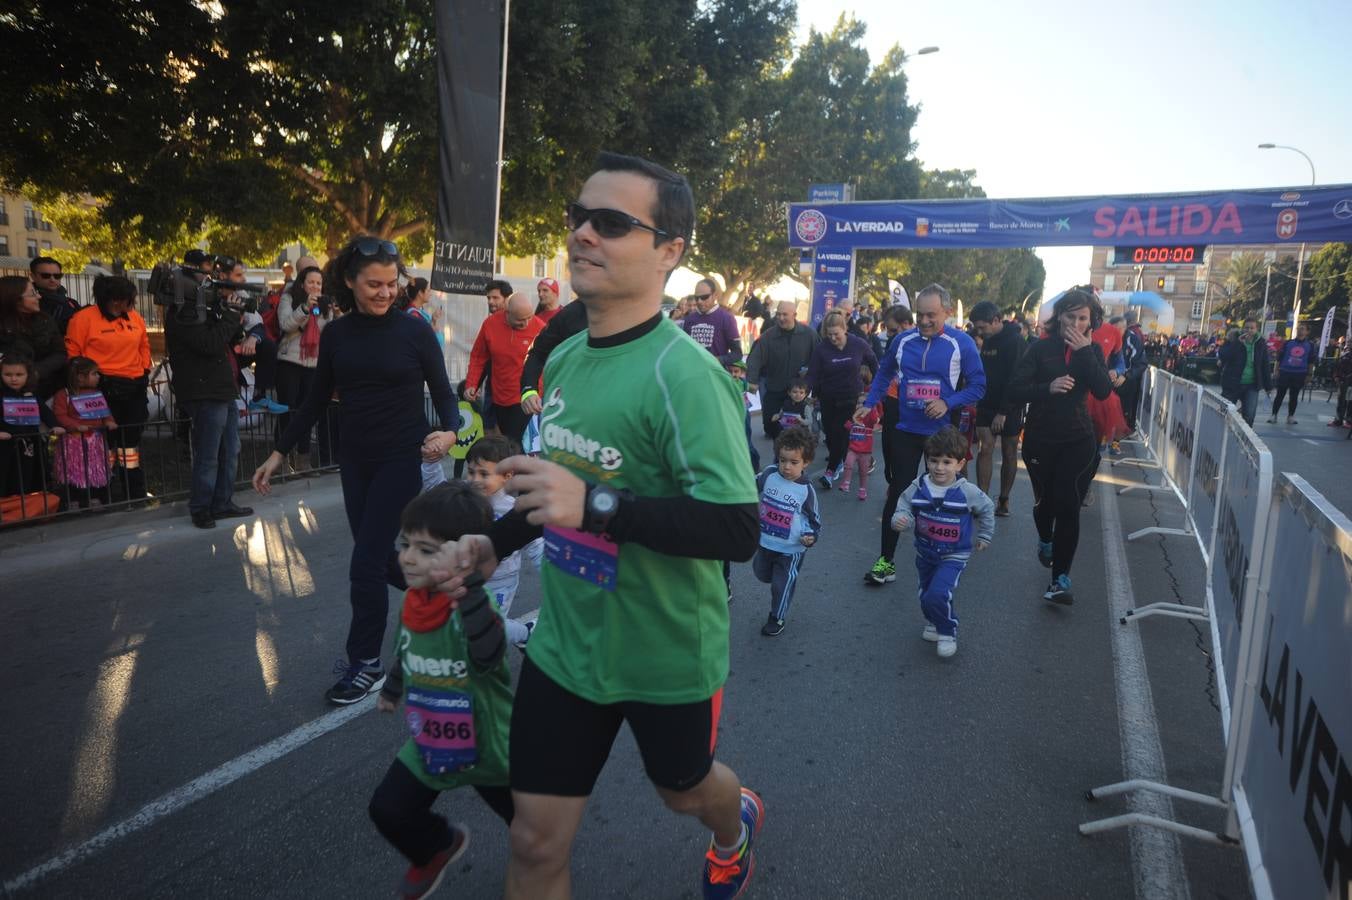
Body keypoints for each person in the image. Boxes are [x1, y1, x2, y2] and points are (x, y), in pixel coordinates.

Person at [427, 152, 763, 900]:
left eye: (611, 223)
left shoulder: (686, 375)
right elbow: (557, 490)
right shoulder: (571, 359)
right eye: (579, 217)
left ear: (669, 252)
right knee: (535, 841)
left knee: (682, 791)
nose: (584, 234)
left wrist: (602, 508)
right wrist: (493, 542)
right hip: (566, 647)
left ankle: (733, 821)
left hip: (664, 652)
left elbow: (738, 530)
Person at [252, 235, 461, 706]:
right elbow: (313, 400)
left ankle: (364, 662)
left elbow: (445, 395)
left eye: (392, 283)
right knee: (380, 558)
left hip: (400, 460)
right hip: (355, 461)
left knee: (365, 562)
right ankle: (449, 595)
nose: (386, 292)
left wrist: (449, 433)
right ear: (349, 281)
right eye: (374, 284)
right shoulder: (337, 335)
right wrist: (278, 453)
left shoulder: (415, 331)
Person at [368, 482, 515, 899]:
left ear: (462, 558)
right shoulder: (414, 601)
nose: (408, 557)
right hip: (432, 743)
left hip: (493, 750)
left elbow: (488, 655)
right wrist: (393, 690)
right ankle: (436, 846)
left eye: (426, 550)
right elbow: (407, 649)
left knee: (533, 836)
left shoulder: (473, 609)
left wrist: (466, 594)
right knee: (388, 809)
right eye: (406, 544)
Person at [857, 285, 986, 586]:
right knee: (898, 493)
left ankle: (942, 559)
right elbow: (884, 373)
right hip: (905, 429)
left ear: (948, 312)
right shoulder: (902, 340)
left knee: (940, 497)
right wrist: (869, 402)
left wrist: (947, 402)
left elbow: (978, 385)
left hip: (941, 435)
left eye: (931, 315)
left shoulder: (961, 343)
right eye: (920, 315)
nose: (924, 321)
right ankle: (886, 561)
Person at [1008, 287, 1112, 605]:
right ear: (1060, 317)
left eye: (1083, 318)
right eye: (1071, 316)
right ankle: (1045, 538)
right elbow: (1015, 389)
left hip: (1078, 439)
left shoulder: (1091, 350)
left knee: (1068, 504)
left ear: (1091, 320)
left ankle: (1060, 579)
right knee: (1046, 504)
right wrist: (1047, 387)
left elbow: (1104, 390)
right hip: (1040, 438)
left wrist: (1083, 353)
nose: (1077, 323)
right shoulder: (1040, 349)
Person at [889, 425, 995, 658]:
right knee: (925, 594)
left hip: (954, 555)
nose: (939, 467)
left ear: (960, 464)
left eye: (947, 462)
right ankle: (934, 622)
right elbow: (903, 505)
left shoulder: (967, 491)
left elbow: (987, 508)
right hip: (925, 553)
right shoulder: (919, 486)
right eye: (934, 460)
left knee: (938, 593)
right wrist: (900, 519)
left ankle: (948, 630)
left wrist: (985, 535)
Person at [165, 267, 255, 529]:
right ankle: (201, 507)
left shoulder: (204, 309)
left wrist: (230, 314)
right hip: (203, 390)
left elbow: (228, 340)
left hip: (220, 387)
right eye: (203, 281)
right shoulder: (183, 312)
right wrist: (229, 315)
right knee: (208, 453)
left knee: (231, 449)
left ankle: (222, 502)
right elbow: (209, 344)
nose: (210, 284)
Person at [65, 275, 151, 501]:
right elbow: (74, 355)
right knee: (104, 441)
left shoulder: (134, 317)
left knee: (130, 441)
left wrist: (143, 371)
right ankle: (104, 490)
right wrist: (89, 383)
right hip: (101, 387)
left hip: (133, 386)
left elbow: (144, 345)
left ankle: (134, 489)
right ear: (115, 300)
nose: (132, 303)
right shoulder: (83, 319)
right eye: (128, 299)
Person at [465, 435, 543, 648]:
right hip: (464, 578)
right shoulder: (462, 499)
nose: (475, 480)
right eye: (471, 472)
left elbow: (535, 546)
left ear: (507, 476)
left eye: (484, 474)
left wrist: (552, 576)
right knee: (465, 624)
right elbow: (434, 490)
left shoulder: (514, 510)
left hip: (501, 582)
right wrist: (430, 464)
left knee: (489, 626)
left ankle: (523, 634)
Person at [753, 425, 821, 637]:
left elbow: (814, 520)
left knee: (780, 586)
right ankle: (778, 586)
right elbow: (750, 485)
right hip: (764, 542)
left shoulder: (805, 490)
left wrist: (811, 536)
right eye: (782, 460)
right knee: (762, 573)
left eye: (794, 462)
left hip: (790, 549)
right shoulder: (770, 474)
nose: (786, 467)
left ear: (806, 462)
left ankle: (777, 617)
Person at [274, 265, 338, 469]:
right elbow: (285, 324)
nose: (315, 286)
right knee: (287, 410)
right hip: (289, 361)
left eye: (319, 283)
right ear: (302, 283)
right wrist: (304, 309)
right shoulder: (289, 298)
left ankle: (303, 459)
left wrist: (332, 314)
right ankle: (281, 458)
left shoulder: (325, 303)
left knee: (306, 411)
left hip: (313, 363)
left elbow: (326, 334)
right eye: (311, 282)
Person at [808, 308, 878, 488]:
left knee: (841, 432)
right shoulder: (821, 348)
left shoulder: (858, 344)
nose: (833, 338)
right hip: (828, 396)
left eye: (836, 334)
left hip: (851, 396)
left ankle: (830, 471)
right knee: (831, 435)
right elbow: (814, 374)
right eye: (829, 334)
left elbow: (874, 363)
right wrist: (811, 394)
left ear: (844, 329)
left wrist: (874, 389)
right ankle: (843, 459)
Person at [466, 292, 545, 448]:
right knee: (509, 440)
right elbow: (478, 356)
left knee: (516, 443)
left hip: (527, 398)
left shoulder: (540, 328)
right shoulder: (490, 324)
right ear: (507, 313)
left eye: (529, 317)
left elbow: (551, 360)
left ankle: (516, 470)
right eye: (521, 319)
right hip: (500, 398)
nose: (526, 323)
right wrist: (472, 383)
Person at [968, 301, 1024, 517]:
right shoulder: (988, 340)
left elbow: (1016, 379)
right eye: (977, 327)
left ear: (997, 320)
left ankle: (1004, 499)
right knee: (985, 448)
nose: (979, 332)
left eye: (982, 327)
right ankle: (982, 499)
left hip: (1009, 406)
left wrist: (1003, 411)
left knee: (1009, 452)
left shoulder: (1016, 341)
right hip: (986, 403)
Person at [51, 356, 119, 508]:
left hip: (95, 441)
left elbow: (104, 411)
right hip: (74, 442)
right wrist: (75, 425)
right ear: (80, 377)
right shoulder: (64, 395)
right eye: (94, 374)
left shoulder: (97, 393)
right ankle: (73, 499)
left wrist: (109, 421)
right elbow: (60, 415)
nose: (98, 377)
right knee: (74, 472)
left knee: (94, 471)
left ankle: (94, 497)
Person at [745, 299, 819, 439]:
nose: (781, 318)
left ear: (794, 315)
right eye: (778, 314)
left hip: (798, 391)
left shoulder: (809, 334)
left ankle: (793, 454)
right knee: (770, 427)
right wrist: (752, 380)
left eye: (785, 314)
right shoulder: (768, 336)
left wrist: (813, 381)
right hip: (774, 387)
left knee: (795, 430)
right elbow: (755, 358)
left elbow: (818, 359)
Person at [0, 351, 64, 497]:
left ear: (28, 375)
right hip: (4, 446)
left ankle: (28, 508)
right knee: (6, 476)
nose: (13, 379)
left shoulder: (31, 394)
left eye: (19, 375)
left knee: (29, 476)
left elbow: (45, 411)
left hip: (29, 444)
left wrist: (55, 425)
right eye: (8, 375)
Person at [0, 275, 66, 399]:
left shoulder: (45, 319)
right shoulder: (4, 326)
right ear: (16, 299)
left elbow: (60, 353)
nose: (39, 296)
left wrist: (36, 371)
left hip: (47, 388)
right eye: (32, 294)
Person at [873, 305, 914, 485]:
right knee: (889, 450)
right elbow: (884, 372)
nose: (889, 334)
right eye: (888, 330)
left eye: (893, 330)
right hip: (892, 403)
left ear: (906, 324)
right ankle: (894, 485)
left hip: (915, 407)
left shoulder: (921, 341)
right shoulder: (893, 342)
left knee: (906, 456)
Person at [1218, 318, 1271, 427]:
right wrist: (1238, 343)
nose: (1249, 330)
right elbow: (1224, 355)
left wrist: (1268, 385)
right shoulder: (1233, 340)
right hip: (1232, 383)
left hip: (1252, 384)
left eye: (1252, 328)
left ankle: (1245, 440)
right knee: (1225, 411)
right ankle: (1222, 431)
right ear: (1242, 329)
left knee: (1249, 414)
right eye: (1247, 328)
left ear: (1256, 329)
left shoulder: (1260, 343)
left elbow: (1265, 364)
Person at [681, 277, 742, 360]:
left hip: (714, 372)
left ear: (715, 296)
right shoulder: (688, 320)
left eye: (704, 297)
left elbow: (737, 354)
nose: (699, 301)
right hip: (692, 371)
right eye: (697, 297)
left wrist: (716, 360)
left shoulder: (727, 318)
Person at [1268, 322, 1316, 425]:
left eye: (1302, 329)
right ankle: (1274, 415)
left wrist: (1309, 374)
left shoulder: (1310, 345)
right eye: (1298, 328)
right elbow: (1279, 357)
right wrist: (1276, 370)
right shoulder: (1288, 343)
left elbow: (1311, 361)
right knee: (1280, 394)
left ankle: (1290, 416)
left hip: (1300, 373)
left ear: (1307, 332)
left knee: (1294, 396)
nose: (1300, 330)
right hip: (1285, 371)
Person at [839, 389, 882, 500]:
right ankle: (846, 483)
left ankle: (862, 489)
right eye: (858, 403)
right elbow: (846, 426)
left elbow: (874, 418)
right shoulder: (854, 418)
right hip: (853, 449)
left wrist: (870, 407)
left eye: (863, 403)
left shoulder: (869, 420)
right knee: (848, 464)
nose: (859, 405)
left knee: (863, 471)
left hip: (865, 452)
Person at [30, 257, 81, 335]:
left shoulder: (71, 303)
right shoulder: (28, 303)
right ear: (33, 276)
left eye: (57, 276)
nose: (52, 279)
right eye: (45, 275)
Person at [405, 277, 445, 345]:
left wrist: (433, 320)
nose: (430, 294)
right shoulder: (413, 315)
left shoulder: (419, 310)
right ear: (420, 293)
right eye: (428, 290)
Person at [1330, 348, 1352, 429]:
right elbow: (1338, 366)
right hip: (1344, 380)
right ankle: (1339, 420)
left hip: (1348, 381)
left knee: (1350, 402)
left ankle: (1349, 420)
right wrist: (1336, 376)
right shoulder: (1346, 355)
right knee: (1342, 400)